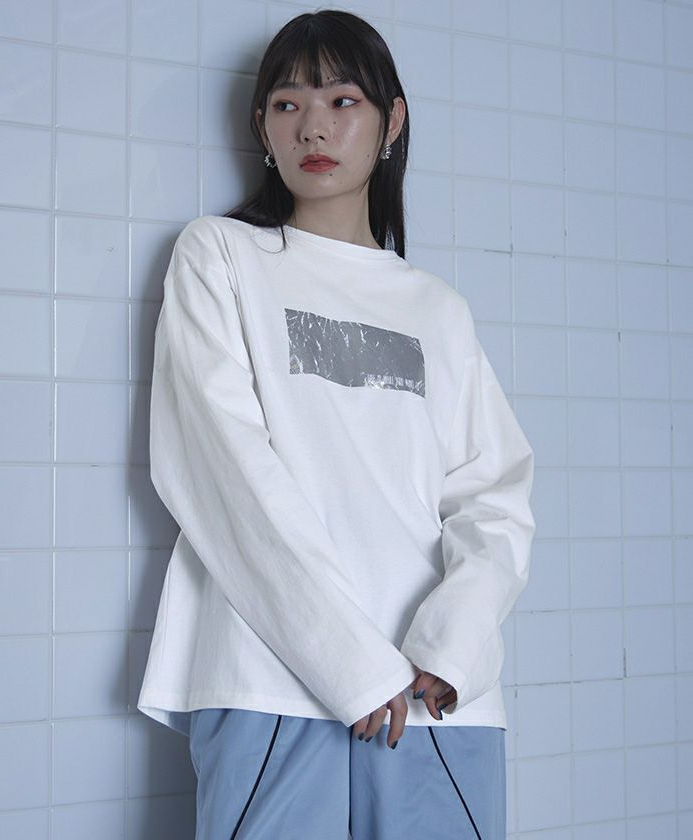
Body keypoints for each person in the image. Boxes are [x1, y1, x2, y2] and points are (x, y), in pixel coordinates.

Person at [137, 9, 536, 840]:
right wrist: (348, 662)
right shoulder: (221, 257)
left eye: (342, 101)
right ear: (262, 128)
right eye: (287, 104)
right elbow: (219, 472)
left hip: (435, 699)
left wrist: (452, 648)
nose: (313, 126)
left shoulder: (438, 308)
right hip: (272, 681)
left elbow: (493, 497)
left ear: (392, 122)